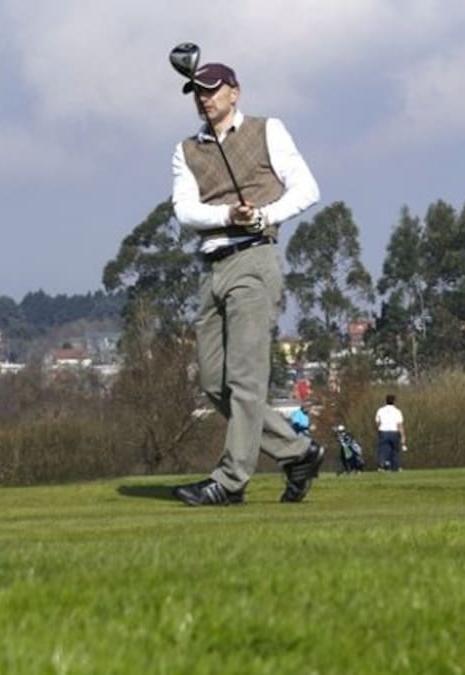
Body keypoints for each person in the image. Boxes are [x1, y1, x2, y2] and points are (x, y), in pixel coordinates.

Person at [169, 61, 323, 506]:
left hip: (254, 260)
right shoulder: (186, 150)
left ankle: (230, 481)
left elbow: (307, 189)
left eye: (212, 90)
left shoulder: (268, 130)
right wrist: (226, 215)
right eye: (197, 92)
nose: (204, 99)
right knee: (214, 382)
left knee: (245, 380)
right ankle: (298, 452)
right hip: (213, 267)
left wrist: (262, 215)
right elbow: (185, 210)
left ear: (234, 92)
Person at [374, 393, 406, 472]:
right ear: (394, 401)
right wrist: (403, 436)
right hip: (394, 432)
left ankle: (381, 466)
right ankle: (395, 467)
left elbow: (377, 422)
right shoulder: (397, 411)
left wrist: (379, 429)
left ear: (386, 401)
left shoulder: (380, 410)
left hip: (383, 432)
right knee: (395, 450)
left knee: (383, 450)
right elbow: (400, 425)